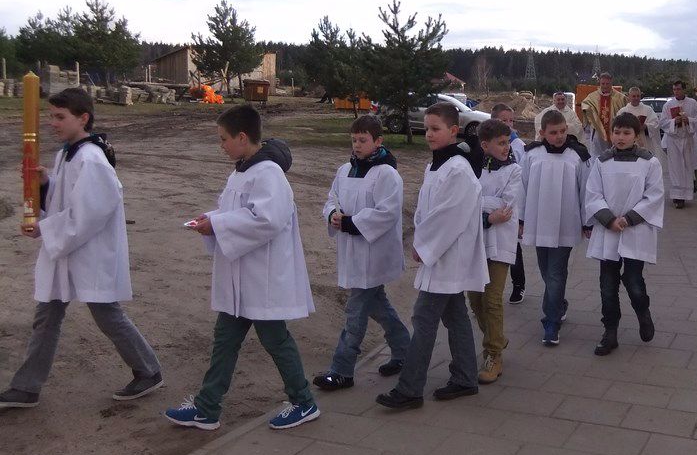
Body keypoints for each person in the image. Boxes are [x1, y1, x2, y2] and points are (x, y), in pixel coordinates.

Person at [1, 89, 163, 410]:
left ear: (83, 118)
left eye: (60, 117)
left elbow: (89, 214)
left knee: (107, 315)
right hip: (66, 250)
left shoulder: (92, 159)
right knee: (47, 316)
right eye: (51, 116)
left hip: (89, 251)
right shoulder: (67, 154)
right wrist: (45, 183)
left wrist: (46, 228)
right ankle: (26, 387)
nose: (53, 123)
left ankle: (148, 370)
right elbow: (65, 199)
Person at [164, 105, 319, 431]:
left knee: (275, 340)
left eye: (224, 139)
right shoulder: (241, 171)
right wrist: (211, 219)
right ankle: (207, 407)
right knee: (224, 340)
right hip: (240, 279)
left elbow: (267, 220)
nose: (221, 145)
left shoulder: (268, 173)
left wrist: (218, 225)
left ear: (243, 137)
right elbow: (234, 210)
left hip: (261, 278)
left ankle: (304, 401)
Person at [376, 102, 487, 410]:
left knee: (424, 318)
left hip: (447, 255)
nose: (429, 134)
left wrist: (423, 246)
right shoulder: (438, 165)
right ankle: (465, 377)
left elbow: (449, 216)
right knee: (455, 316)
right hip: (439, 254)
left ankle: (410, 388)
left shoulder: (458, 169)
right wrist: (422, 237)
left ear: (453, 131)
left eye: (435, 129)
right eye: (426, 128)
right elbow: (426, 209)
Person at [313, 115, 410, 391]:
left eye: (363, 140)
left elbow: (387, 212)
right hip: (352, 250)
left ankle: (342, 370)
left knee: (355, 312)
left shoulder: (387, 174)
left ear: (378, 141)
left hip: (374, 252)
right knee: (379, 307)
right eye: (354, 139)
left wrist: (351, 223)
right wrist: (333, 215)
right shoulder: (345, 170)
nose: (357, 145)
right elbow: (331, 198)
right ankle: (405, 351)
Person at [584, 112, 664, 356]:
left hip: (634, 230)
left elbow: (654, 195)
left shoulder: (649, 163)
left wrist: (629, 219)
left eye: (626, 133)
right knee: (607, 285)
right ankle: (610, 332)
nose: (620, 137)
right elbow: (593, 193)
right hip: (609, 230)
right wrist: (609, 219)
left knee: (633, 281)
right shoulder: (602, 162)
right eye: (616, 132)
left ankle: (643, 311)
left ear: (636, 136)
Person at [521, 109, 591, 346]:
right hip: (539, 221)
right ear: (542, 133)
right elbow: (522, 187)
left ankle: (551, 322)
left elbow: (585, 190)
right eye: (553, 133)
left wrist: (587, 221)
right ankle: (559, 304)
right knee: (546, 270)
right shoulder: (532, 155)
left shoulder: (577, 156)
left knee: (555, 273)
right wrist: (520, 220)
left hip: (566, 222)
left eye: (562, 131)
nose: (559, 136)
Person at [467, 118, 524, 384]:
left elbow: (506, 203)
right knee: (475, 300)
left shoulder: (514, 170)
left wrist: (479, 203)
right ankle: (497, 338)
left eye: (507, 142)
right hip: (476, 241)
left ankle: (493, 354)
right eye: (500, 143)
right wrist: (486, 210)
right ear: (484, 145)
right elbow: (466, 199)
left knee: (492, 299)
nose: (505, 147)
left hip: (501, 242)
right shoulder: (473, 169)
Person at [491, 103, 527, 304]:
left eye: (511, 120)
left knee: (513, 246)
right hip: (491, 205)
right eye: (503, 120)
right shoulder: (486, 144)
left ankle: (519, 284)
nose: (508, 124)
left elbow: (522, 175)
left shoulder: (518, 145)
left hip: (511, 202)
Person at [660, 80, 697, 208]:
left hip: (687, 140)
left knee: (686, 167)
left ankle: (685, 195)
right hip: (673, 141)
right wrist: (674, 121)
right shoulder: (668, 105)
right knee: (675, 168)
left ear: (684, 89)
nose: (676, 92)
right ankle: (677, 196)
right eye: (674, 89)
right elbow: (662, 122)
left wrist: (688, 120)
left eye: (679, 89)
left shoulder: (692, 103)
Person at [580, 72, 626, 158]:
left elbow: (625, 113)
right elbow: (585, 107)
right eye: (603, 83)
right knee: (597, 156)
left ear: (611, 83)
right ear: (599, 83)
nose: (605, 86)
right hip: (597, 131)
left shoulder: (620, 98)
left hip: (614, 130)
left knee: (614, 154)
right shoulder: (592, 97)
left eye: (607, 84)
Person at [623, 86, 666, 169]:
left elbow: (656, 124)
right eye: (633, 96)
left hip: (646, 143)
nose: (636, 98)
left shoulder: (648, 110)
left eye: (638, 96)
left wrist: (646, 127)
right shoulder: (623, 111)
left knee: (646, 167)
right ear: (629, 97)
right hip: (629, 144)